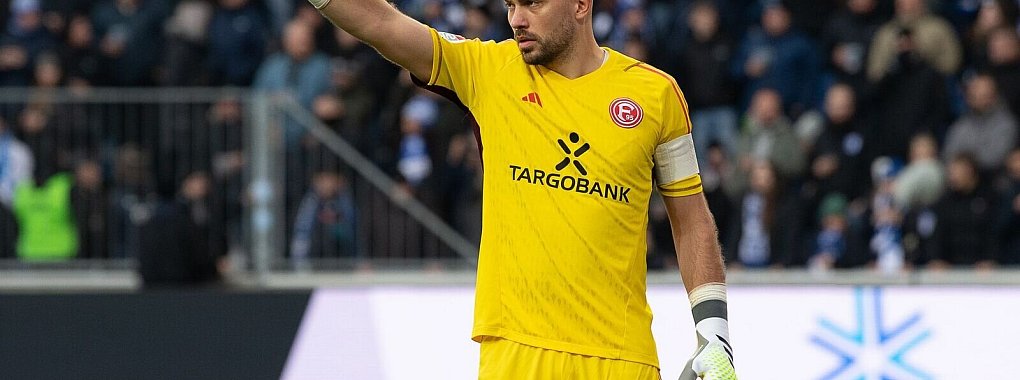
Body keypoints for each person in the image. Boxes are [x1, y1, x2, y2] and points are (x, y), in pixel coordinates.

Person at [309, 0, 737, 379]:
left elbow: (691, 218)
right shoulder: (487, 70)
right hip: (517, 352)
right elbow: (379, 22)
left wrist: (713, 334)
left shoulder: (657, 95)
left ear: (581, 5)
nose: (517, 19)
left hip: (623, 357)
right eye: (511, 5)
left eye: (532, 3)